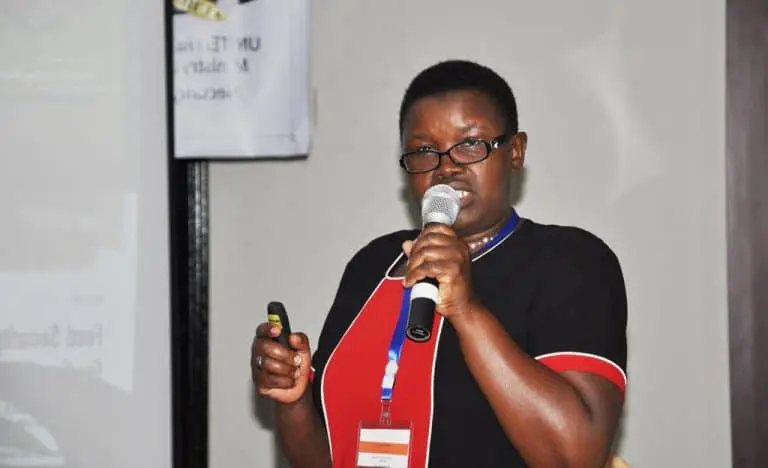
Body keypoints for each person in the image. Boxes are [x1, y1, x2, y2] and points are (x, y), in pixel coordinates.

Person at [251, 59, 628, 468]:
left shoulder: (569, 262)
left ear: (515, 151)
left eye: (471, 144)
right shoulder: (371, 265)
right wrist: (293, 401)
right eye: (424, 151)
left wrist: (467, 311)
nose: (447, 167)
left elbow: (576, 458)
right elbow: (328, 457)